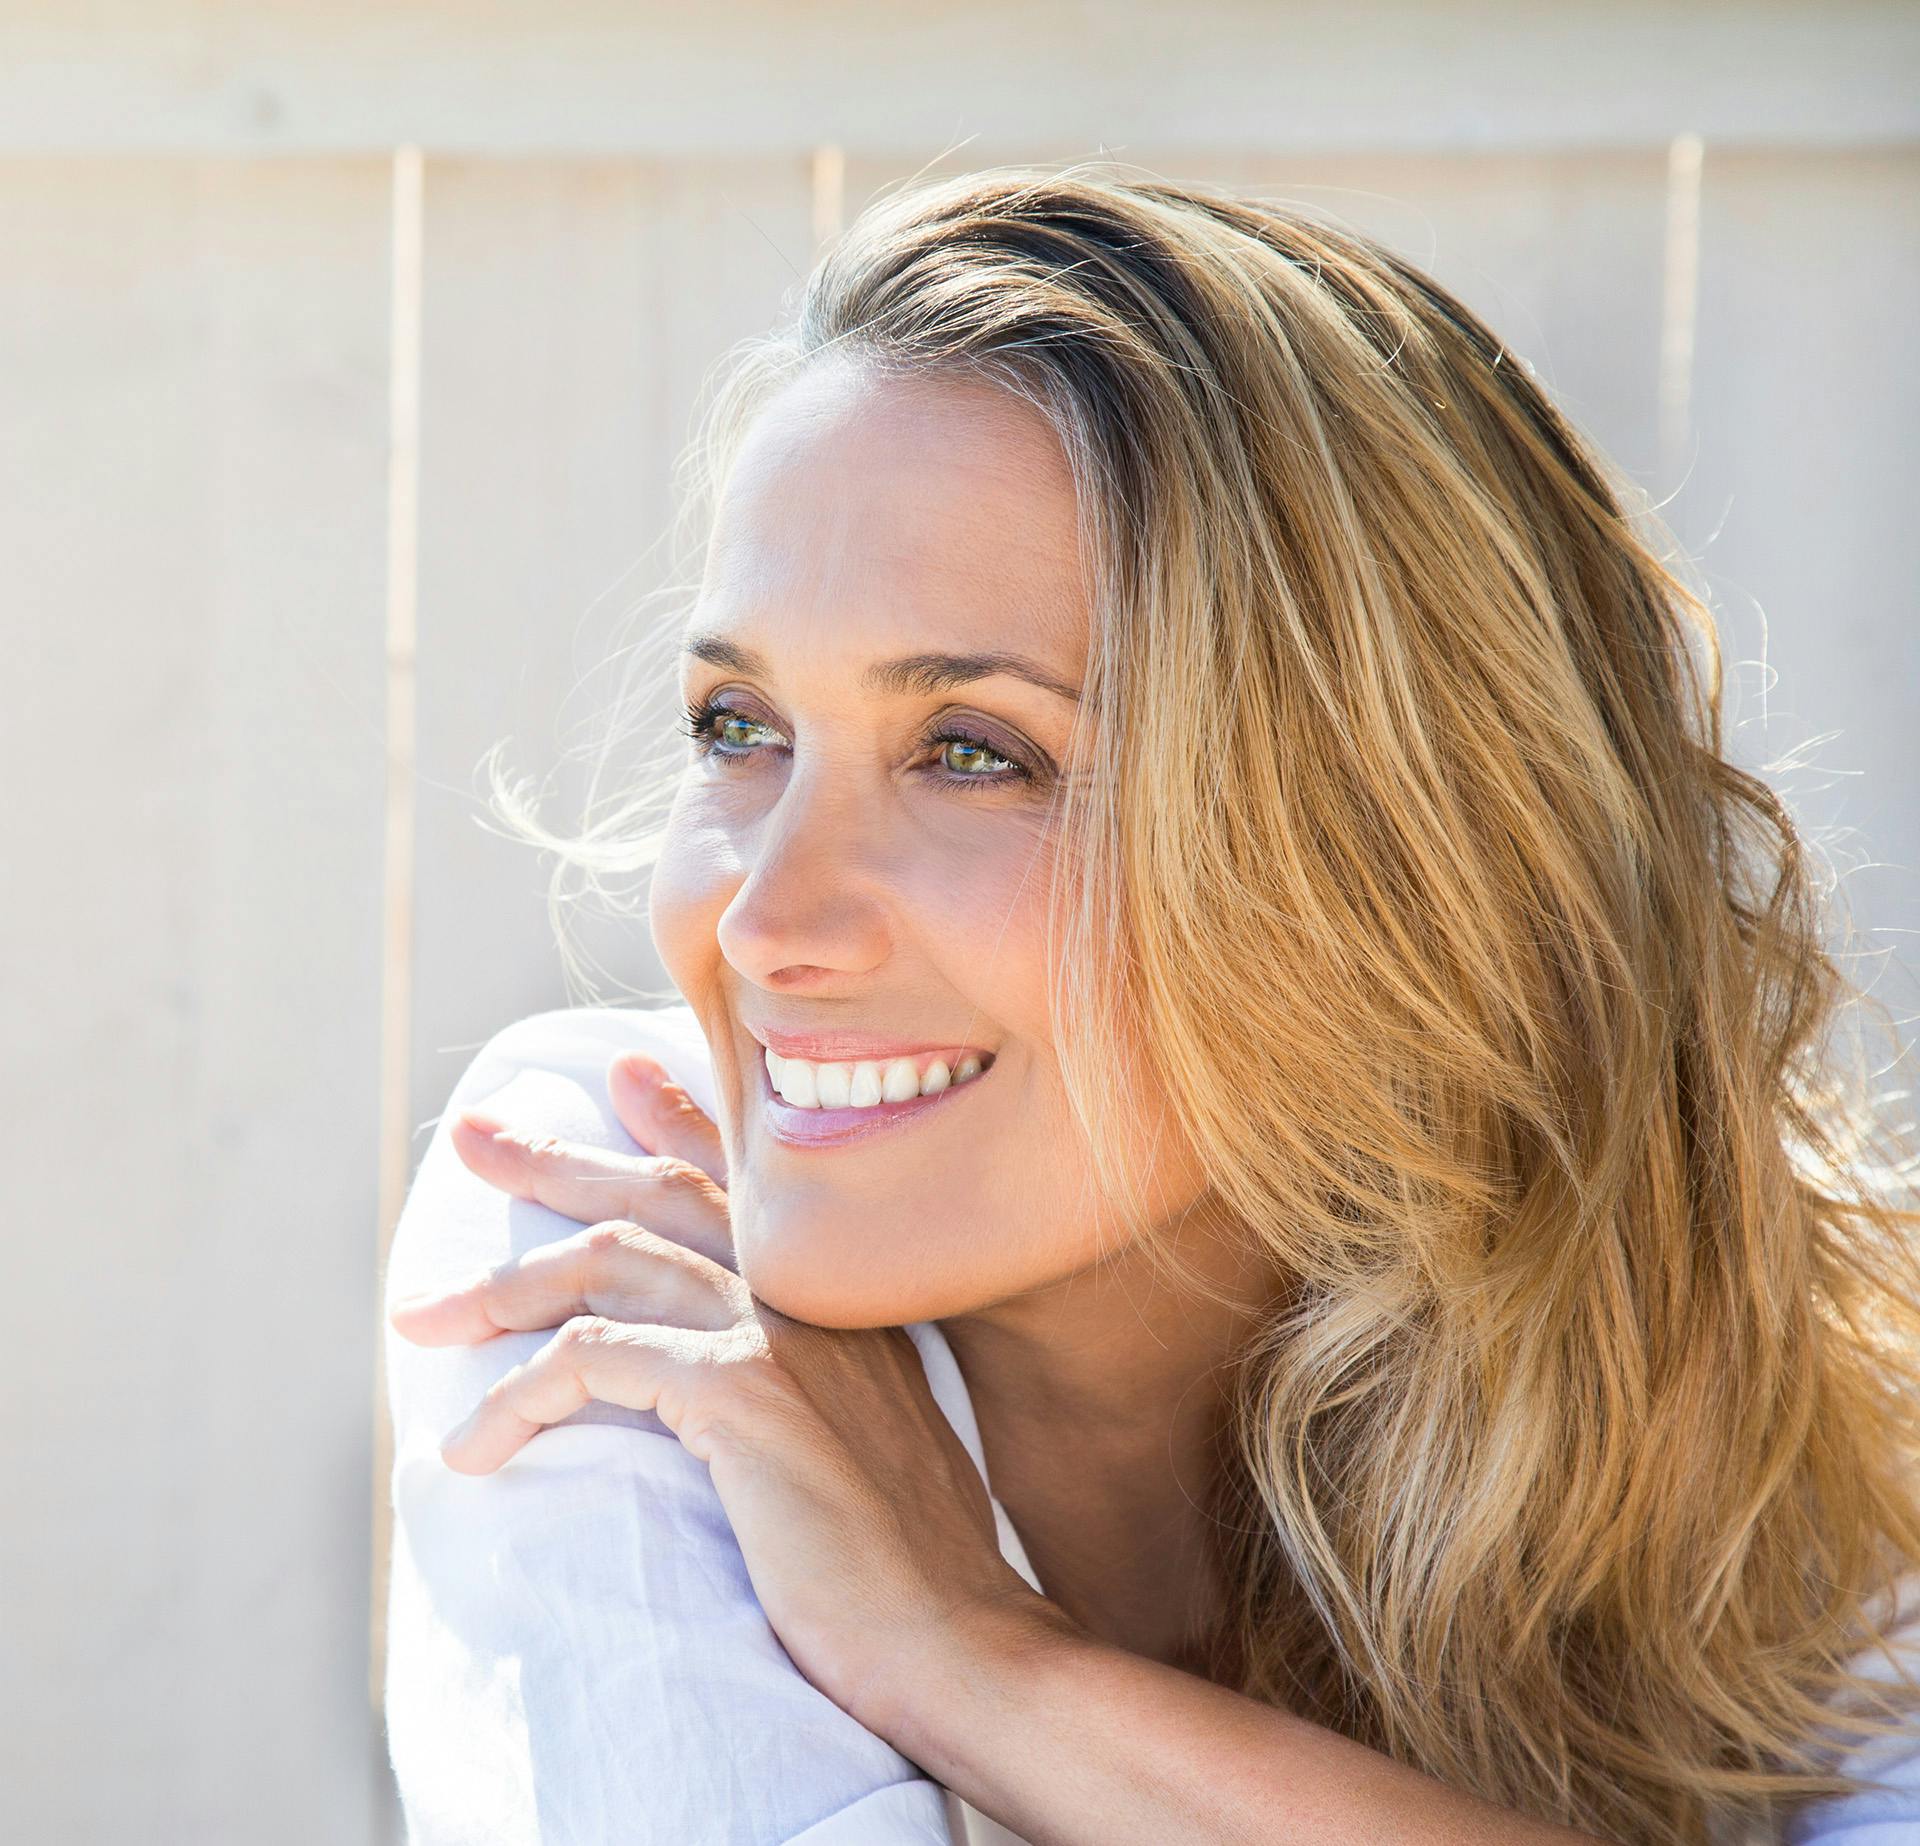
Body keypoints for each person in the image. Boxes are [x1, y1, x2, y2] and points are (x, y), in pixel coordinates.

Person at [381, 164, 1920, 1844]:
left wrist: (976, 1661)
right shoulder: (611, 1225)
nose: (763, 924)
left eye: (977, 753)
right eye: (741, 728)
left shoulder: (1805, 1393)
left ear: (1399, 862)